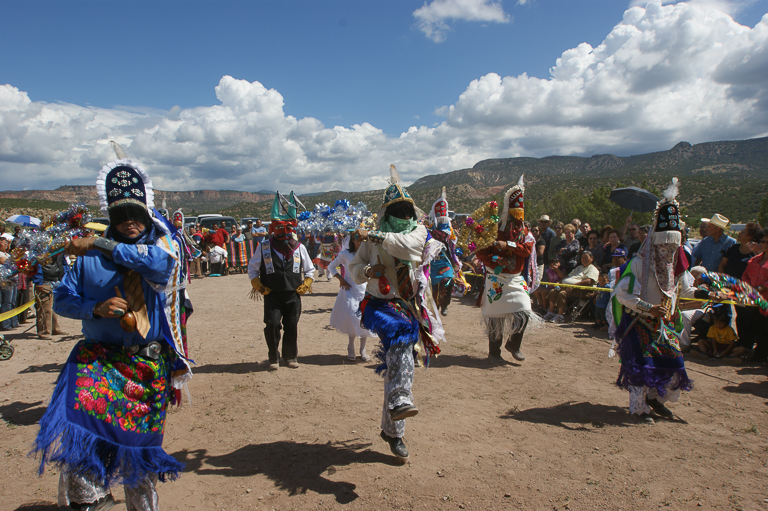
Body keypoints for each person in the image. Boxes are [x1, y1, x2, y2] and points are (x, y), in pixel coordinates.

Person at [33, 154, 190, 511]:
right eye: (120, 216)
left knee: (138, 455)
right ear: (111, 218)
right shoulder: (87, 260)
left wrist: (101, 244)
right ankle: (89, 502)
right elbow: (62, 299)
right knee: (84, 440)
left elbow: (156, 266)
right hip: (98, 360)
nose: (130, 222)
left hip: (146, 366)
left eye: (136, 214)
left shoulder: (162, 249)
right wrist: (94, 308)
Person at [349, 165, 445, 460]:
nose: (404, 216)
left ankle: (391, 431)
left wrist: (375, 236)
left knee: (399, 363)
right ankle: (401, 400)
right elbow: (353, 270)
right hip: (381, 305)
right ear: (388, 212)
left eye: (407, 210)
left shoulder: (418, 233)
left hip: (410, 306)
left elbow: (406, 246)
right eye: (398, 211)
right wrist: (368, 269)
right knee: (402, 343)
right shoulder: (368, 241)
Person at [609, 179, 714, 424]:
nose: (669, 248)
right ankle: (638, 408)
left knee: (673, 364)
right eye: (665, 242)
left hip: (664, 326)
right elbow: (622, 294)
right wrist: (648, 308)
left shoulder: (676, 266)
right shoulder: (639, 264)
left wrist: (703, 294)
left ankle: (655, 399)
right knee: (641, 367)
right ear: (656, 239)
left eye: (673, 243)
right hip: (638, 321)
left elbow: (685, 290)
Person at [248, 192, 315, 370]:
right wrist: (258, 286)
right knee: (272, 324)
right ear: (273, 229)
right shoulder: (263, 247)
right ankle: (273, 357)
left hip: (293, 294)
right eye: (279, 228)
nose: (283, 232)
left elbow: (310, 269)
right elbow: (252, 269)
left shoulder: (299, 248)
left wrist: (306, 284)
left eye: (286, 228)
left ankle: (290, 356)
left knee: (291, 325)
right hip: (272, 293)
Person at [475, 176, 538, 362]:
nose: (518, 218)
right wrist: (496, 259)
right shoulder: (493, 228)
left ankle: (513, 344)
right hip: (496, 278)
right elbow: (481, 253)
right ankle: (494, 353)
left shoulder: (525, 232)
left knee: (525, 310)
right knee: (496, 318)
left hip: (515, 278)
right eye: (515, 214)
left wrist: (509, 244)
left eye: (520, 214)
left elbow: (527, 251)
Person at [328, 232, 376, 362]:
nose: (360, 243)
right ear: (353, 241)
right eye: (358, 240)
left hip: (365, 289)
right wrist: (340, 279)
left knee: (365, 317)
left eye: (363, 240)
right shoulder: (345, 254)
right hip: (350, 288)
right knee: (352, 316)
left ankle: (363, 349)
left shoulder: (369, 254)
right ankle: (351, 346)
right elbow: (331, 266)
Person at [428, 187, 462, 317]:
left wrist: (455, 262)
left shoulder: (449, 231)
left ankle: (445, 304)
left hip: (445, 261)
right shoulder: (430, 230)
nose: (442, 220)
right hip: (433, 263)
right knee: (434, 287)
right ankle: (435, 306)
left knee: (448, 281)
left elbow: (446, 239)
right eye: (439, 218)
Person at [543, 251, 599, 323]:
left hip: (582, 290)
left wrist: (573, 286)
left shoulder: (592, 269)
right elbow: (568, 276)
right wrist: (559, 282)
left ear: (591, 258)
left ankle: (560, 316)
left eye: (586, 258)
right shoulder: (579, 267)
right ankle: (551, 312)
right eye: (583, 257)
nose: (584, 259)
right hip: (569, 287)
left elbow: (588, 281)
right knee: (553, 291)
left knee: (562, 293)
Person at [32, 252, 68, 339]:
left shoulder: (59, 249)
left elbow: (63, 263)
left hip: (57, 279)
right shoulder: (41, 249)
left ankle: (55, 328)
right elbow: (36, 265)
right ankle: (44, 331)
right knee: (45, 308)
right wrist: (38, 281)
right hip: (44, 280)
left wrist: (66, 277)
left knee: (54, 306)